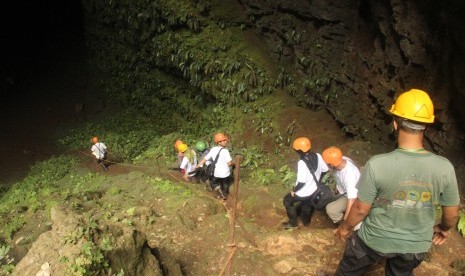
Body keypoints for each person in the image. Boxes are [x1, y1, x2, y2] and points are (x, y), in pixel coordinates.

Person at [334, 89, 460, 275]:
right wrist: (443, 228)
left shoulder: (377, 164)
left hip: (375, 239)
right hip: (415, 246)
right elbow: (451, 214)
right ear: (426, 127)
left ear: (395, 124)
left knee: (349, 269)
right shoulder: (444, 167)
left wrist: (345, 229)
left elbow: (361, 209)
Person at [282, 137, 329, 229]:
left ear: (299, 151)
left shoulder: (302, 163)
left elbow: (302, 182)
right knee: (307, 204)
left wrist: (294, 190)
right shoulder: (317, 156)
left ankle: (293, 224)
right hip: (314, 190)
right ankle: (306, 222)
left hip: (304, 191)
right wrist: (318, 179)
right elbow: (325, 170)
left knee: (287, 200)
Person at [322, 146, 360, 227]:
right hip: (345, 192)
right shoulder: (341, 160)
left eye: (327, 164)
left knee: (331, 209)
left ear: (332, 165)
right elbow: (338, 176)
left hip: (357, 198)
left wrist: (345, 221)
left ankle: (346, 228)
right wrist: (337, 187)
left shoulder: (350, 175)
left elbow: (352, 200)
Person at [196, 133, 234, 200]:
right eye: (223, 140)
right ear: (219, 142)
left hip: (217, 173)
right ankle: (225, 194)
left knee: (213, 183)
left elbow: (206, 158)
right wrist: (234, 164)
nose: (225, 141)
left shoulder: (213, 149)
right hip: (226, 173)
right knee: (225, 183)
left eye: (225, 140)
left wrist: (199, 164)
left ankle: (222, 195)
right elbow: (230, 163)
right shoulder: (225, 151)